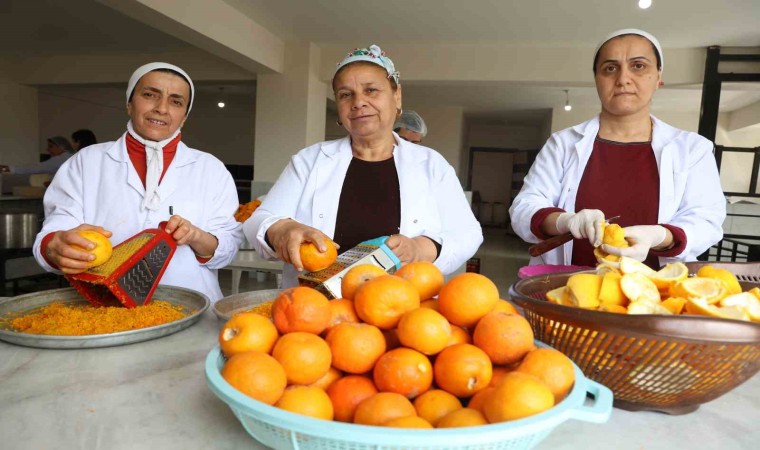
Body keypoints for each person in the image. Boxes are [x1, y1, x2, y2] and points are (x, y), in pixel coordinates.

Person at [244, 44, 482, 288]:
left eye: (371, 90)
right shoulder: (309, 160)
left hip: (403, 309)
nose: (359, 102)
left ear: (396, 96)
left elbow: (468, 233)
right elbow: (259, 219)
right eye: (346, 95)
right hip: (314, 309)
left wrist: (421, 248)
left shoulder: (431, 165)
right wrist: (282, 229)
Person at [510, 29, 725, 270]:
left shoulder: (692, 149)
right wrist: (565, 221)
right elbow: (525, 206)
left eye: (639, 66)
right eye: (610, 68)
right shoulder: (563, 144)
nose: (623, 78)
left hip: (654, 297)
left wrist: (660, 236)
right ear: (597, 79)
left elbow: (706, 220)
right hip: (565, 288)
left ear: (658, 77)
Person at [32, 62, 243, 302]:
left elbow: (228, 247)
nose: (161, 108)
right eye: (150, 95)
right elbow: (53, 232)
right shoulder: (87, 162)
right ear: (129, 104)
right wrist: (54, 247)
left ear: (184, 117)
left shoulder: (210, 169)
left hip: (193, 306)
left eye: (176, 101)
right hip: (103, 306)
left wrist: (195, 236)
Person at [0, 136, 74, 175]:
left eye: (51, 146)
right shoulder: (71, 157)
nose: (48, 149)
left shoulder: (61, 159)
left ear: (61, 146)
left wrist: (6, 169)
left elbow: (36, 168)